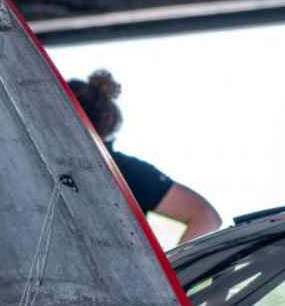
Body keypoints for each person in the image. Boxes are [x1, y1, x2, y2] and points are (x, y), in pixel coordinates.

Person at [68, 70, 222, 243]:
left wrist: (168, 269)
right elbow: (206, 217)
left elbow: (206, 217)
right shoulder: (128, 170)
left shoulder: (124, 171)